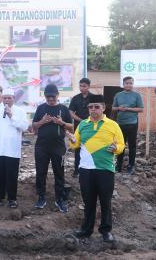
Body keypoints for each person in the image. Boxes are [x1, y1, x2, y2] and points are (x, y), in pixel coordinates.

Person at [67, 94, 125, 242]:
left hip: (105, 169)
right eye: (90, 107)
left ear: (103, 108)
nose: (93, 109)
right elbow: (75, 145)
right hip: (86, 170)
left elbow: (121, 145)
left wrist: (116, 148)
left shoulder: (113, 125)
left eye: (96, 107)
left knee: (105, 202)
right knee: (88, 202)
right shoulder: (82, 125)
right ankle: (86, 230)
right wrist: (72, 140)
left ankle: (106, 231)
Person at [0, 88, 28, 208]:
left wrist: (11, 116)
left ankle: (12, 199)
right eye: (5, 98)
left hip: (12, 150)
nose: (7, 100)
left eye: (9, 98)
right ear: (2, 99)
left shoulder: (20, 111)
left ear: (14, 99)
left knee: (12, 175)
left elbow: (24, 127)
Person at [32, 84, 73, 212]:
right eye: (48, 98)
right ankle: (41, 197)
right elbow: (33, 126)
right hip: (41, 146)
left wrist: (62, 123)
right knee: (40, 172)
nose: (50, 100)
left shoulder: (63, 109)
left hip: (58, 146)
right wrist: (42, 122)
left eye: (53, 98)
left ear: (57, 95)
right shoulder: (40, 108)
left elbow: (71, 127)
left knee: (59, 173)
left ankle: (59, 199)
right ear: (45, 96)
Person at [112, 76, 144, 174]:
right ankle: (119, 166)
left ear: (132, 84)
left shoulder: (137, 95)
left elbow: (141, 109)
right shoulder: (118, 95)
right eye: (127, 83)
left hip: (132, 123)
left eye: (130, 83)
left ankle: (131, 166)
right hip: (120, 123)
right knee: (121, 144)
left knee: (132, 145)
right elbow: (113, 108)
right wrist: (119, 108)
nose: (129, 85)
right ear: (123, 84)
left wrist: (128, 109)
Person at [69, 78, 93, 177]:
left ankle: (89, 169)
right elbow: (70, 112)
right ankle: (76, 169)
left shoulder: (94, 97)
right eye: (80, 86)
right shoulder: (75, 98)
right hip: (78, 126)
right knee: (77, 146)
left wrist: (89, 121)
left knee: (90, 146)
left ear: (88, 86)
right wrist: (81, 120)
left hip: (91, 126)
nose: (82, 88)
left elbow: (98, 110)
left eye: (84, 86)